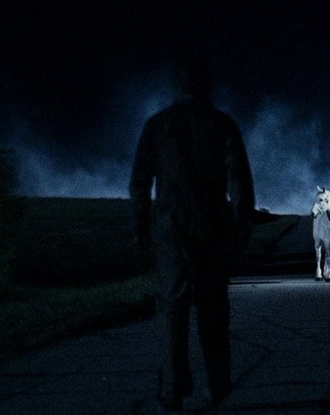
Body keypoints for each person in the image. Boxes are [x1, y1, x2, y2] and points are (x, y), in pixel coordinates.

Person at [129, 55, 255, 412]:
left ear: (179, 86)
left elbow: (140, 183)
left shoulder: (158, 125)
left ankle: (173, 387)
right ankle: (216, 384)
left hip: (170, 225)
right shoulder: (223, 125)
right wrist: (241, 231)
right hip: (212, 224)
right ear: (207, 85)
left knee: (173, 305)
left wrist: (140, 226)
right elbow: (241, 186)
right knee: (213, 306)